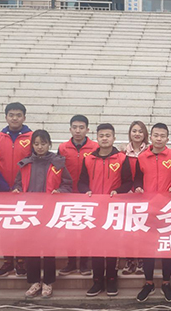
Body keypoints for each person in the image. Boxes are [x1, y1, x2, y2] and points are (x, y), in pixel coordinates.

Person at [13, 129, 72, 299]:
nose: (40, 147)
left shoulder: (57, 163)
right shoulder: (25, 164)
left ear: (49, 144)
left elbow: (67, 184)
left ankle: (48, 282)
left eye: (43, 143)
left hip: (49, 212)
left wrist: (60, 191)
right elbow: (17, 183)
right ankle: (34, 282)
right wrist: (16, 189)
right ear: (32, 145)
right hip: (30, 212)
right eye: (36, 144)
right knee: (31, 248)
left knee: (48, 249)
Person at [78, 123, 133, 297]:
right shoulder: (88, 159)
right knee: (96, 247)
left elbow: (128, 182)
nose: (104, 138)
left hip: (113, 209)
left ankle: (111, 279)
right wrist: (85, 190)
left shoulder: (122, 159)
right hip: (94, 210)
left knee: (111, 247)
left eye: (108, 135)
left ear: (114, 138)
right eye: (101, 135)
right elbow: (81, 182)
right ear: (97, 138)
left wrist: (119, 191)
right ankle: (97, 281)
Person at [133, 123, 171, 302]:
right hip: (147, 209)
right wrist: (138, 187)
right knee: (148, 248)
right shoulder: (142, 157)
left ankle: (166, 282)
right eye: (156, 135)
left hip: (168, 209)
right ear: (151, 137)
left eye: (162, 136)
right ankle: (148, 282)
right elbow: (137, 179)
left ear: (168, 139)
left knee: (166, 247)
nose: (159, 138)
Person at [0, 102, 32, 277]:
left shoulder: (32, 137)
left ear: (24, 117)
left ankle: (21, 261)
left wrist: (20, 186)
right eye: (11, 115)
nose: (15, 118)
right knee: (4, 227)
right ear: (6, 117)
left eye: (18, 115)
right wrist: (4, 186)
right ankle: (8, 261)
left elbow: (34, 162)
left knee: (22, 226)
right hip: (3, 191)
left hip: (24, 190)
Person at [57, 115, 99, 277]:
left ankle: (84, 263)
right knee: (70, 230)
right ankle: (71, 262)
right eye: (74, 127)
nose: (78, 130)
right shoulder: (63, 148)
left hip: (88, 194)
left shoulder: (95, 147)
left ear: (87, 129)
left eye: (81, 127)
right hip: (68, 194)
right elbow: (57, 170)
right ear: (70, 129)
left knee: (87, 230)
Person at [120, 120, 149, 275]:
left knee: (143, 229)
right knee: (128, 230)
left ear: (145, 134)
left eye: (140, 131)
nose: (137, 134)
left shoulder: (150, 151)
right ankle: (130, 261)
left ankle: (142, 261)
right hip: (127, 195)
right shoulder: (122, 152)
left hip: (145, 195)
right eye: (134, 131)